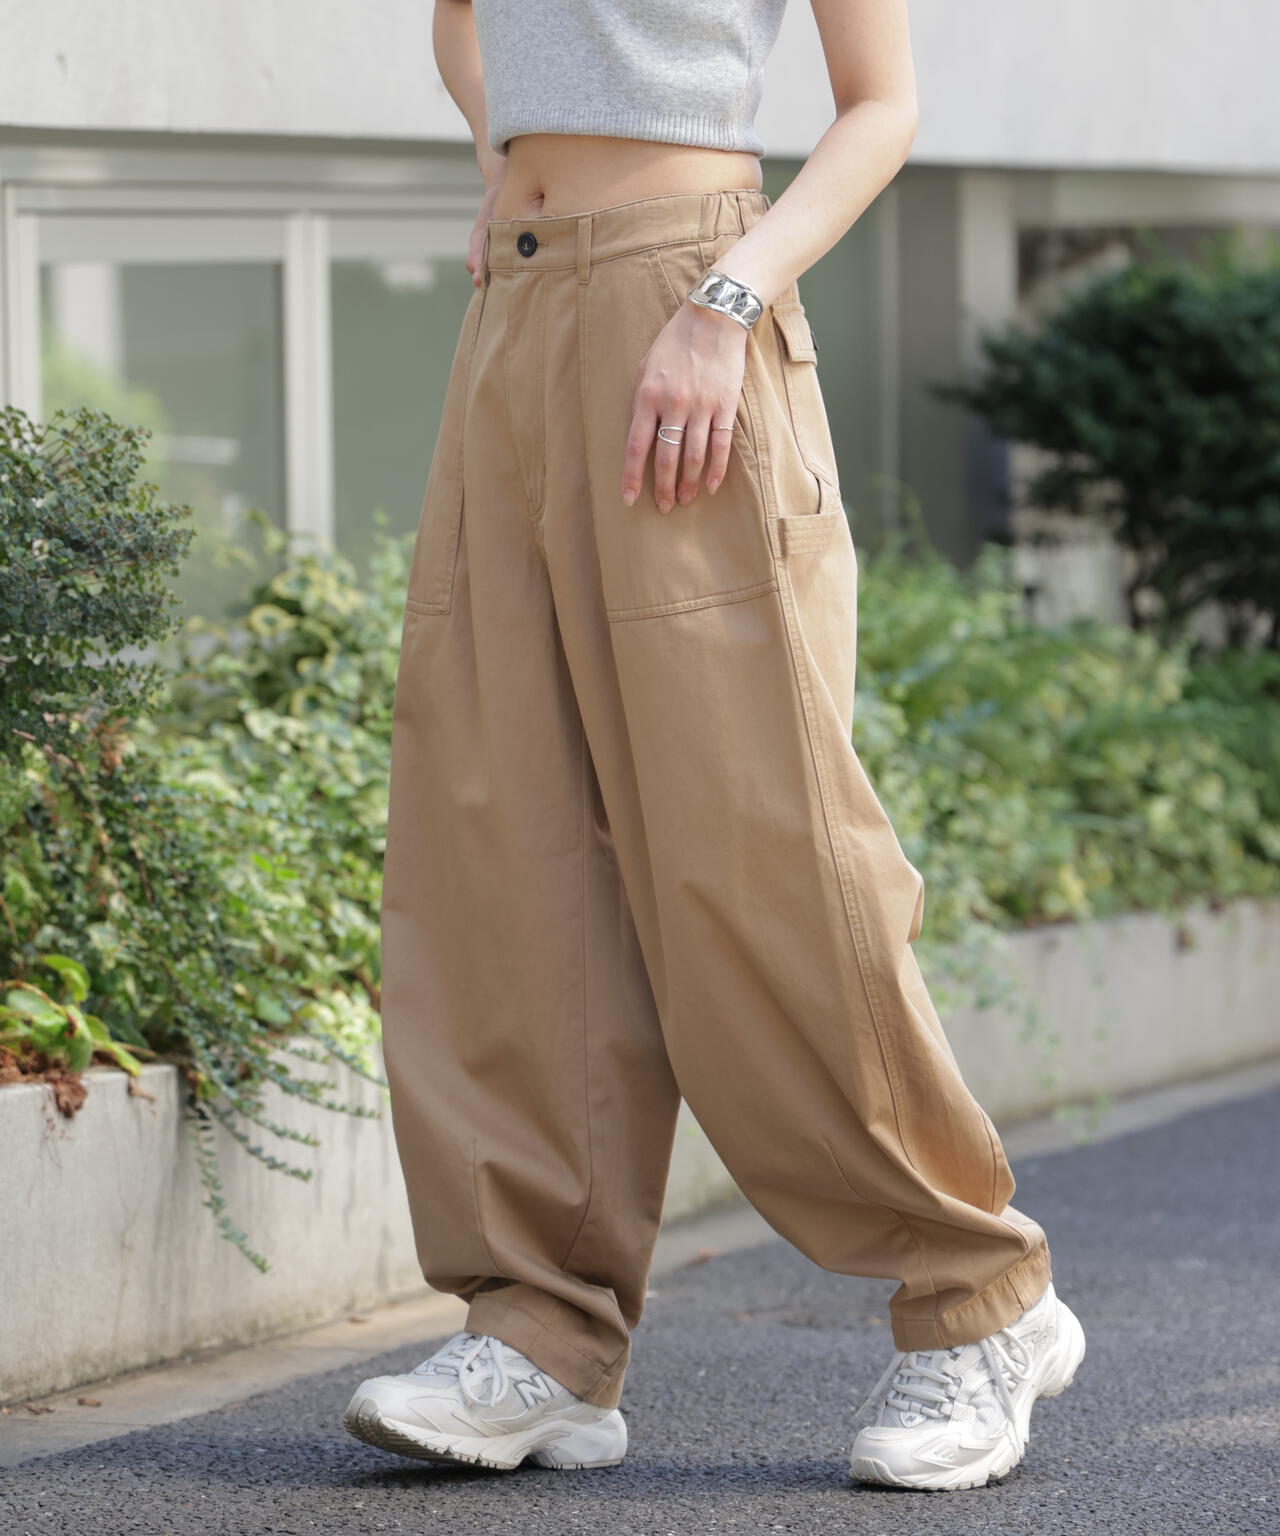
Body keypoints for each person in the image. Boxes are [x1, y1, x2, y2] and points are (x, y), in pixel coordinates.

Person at [342, 0, 1085, 1493]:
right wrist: (502, 159)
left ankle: (978, 1297)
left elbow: (881, 104)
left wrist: (730, 297)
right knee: (502, 840)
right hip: (518, 312)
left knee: (756, 841)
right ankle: (542, 1333)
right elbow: (459, 19)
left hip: (691, 306)